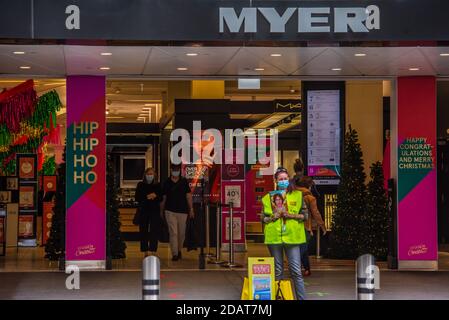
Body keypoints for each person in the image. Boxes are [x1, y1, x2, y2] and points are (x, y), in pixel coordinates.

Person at [261, 167, 308, 300]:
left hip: (292, 238)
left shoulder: (298, 195)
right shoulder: (267, 198)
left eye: (285, 179)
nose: (283, 181)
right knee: (278, 271)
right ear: (275, 180)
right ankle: (278, 297)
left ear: (289, 180)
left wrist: (291, 215)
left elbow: (305, 216)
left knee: (296, 272)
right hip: (274, 239)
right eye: (280, 179)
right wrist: (272, 217)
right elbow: (262, 219)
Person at [292, 176, 327, 276]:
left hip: (292, 225)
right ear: (309, 186)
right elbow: (315, 213)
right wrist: (322, 226)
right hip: (305, 226)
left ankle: (307, 269)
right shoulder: (309, 197)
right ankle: (296, 269)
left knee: (302, 248)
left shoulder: (292, 194)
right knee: (302, 248)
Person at [160, 164, 194, 261]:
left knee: (181, 233)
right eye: (174, 169)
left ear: (179, 170)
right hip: (170, 211)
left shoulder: (183, 181)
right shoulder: (166, 182)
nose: (175, 171)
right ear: (171, 170)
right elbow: (164, 198)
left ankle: (179, 250)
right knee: (173, 232)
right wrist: (161, 210)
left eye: (177, 169)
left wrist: (191, 209)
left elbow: (188, 196)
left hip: (183, 211)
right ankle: (174, 253)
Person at [135, 168, 162, 257]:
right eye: (148, 174)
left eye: (151, 174)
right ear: (145, 175)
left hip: (155, 211)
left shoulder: (158, 185)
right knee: (143, 231)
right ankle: (145, 251)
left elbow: (161, 198)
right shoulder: (140, 184)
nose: (150, 176)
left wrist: (155, 196)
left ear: (154, 175)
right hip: (144, 210)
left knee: (154, 230)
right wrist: (147, 196)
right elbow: (137, 197)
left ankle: (153, 250)